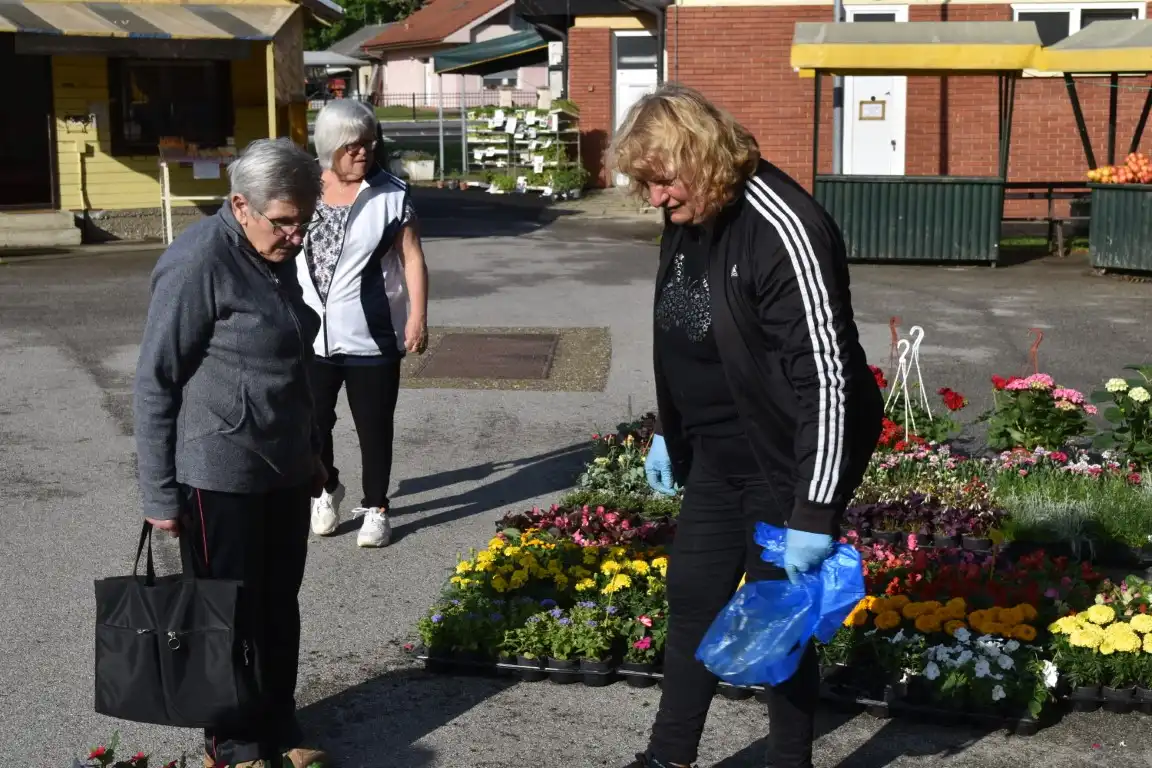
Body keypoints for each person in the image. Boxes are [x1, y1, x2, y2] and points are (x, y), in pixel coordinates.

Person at [612, 84, 883, 768]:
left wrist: (814, 510)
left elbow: (827, 376)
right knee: (694, 599)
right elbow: (682, 333)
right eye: (645, 185)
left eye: (662, 181)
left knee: (778, 626)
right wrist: (667, 430)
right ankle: (667, 758)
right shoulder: (692, 213)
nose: (655, 200)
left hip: (784, 458)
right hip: (715, 454)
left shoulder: (785, 227)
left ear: (703, 157)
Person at [133, 138, 330, 768]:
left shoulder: (273, 253)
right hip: (219, 471)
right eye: (286, 221)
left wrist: (313, 451)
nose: (297, 235)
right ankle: (233, 738)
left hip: (283, 466)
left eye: (306, 219)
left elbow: (292, 360)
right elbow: (155, 379)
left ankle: (277, 719)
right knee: (225, 613)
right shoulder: (197, 262)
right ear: (240, 205)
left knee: (279, 604)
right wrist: (159, 491)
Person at [300, 99, 429, 548]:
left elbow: (412, 257)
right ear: (329, 146)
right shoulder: (300, 188)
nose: (363, 153)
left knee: (373, 426)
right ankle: (325, 488)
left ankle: (376, 507)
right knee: (311, 423)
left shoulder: (392, 193)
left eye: (369, 144)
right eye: (353, 145)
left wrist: (417, 316)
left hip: (372, 334)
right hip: (309, 334)